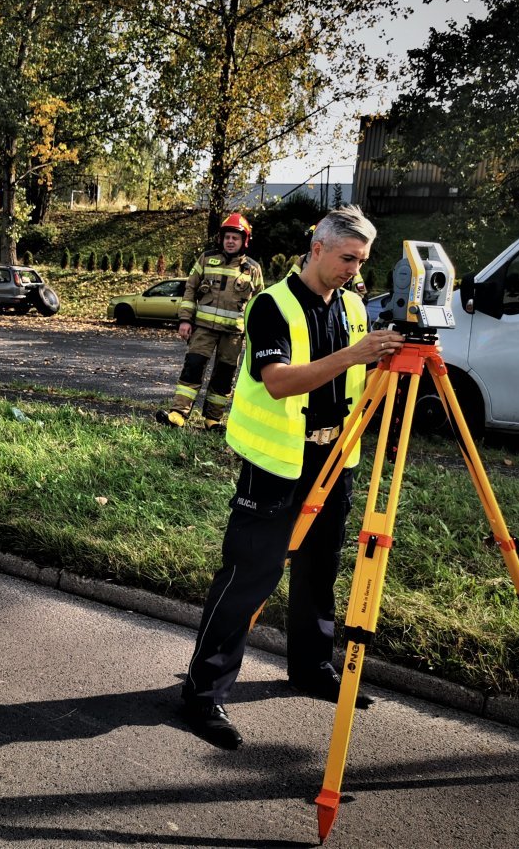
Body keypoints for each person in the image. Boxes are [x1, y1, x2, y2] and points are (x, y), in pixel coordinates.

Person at [180, 205, 404, 749]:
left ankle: (311, 667)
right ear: (318, 248)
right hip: (276, 464)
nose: (355, 269)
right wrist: (357, 352)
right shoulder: (270, 306)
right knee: (248, 577)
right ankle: (202, 692)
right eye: (348, 257)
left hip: (335, 461)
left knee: (317, 572)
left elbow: (353, 374)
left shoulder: (352, 305)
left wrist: (384, 357)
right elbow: (279, 382)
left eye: (362, 260)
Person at [155, 213, 264, 431]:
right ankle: (178, 413)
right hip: (202, 330)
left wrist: (254, 334)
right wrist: (185, 320)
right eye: (227, 237)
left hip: (233, 335)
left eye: (235, 238)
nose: (230, 241)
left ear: (244, 241)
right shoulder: (206, 259)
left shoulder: (253, 269)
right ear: (221, 239)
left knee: (224, 377)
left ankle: (213, 420)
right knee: (192, 368)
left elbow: (258, 304)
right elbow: (190, 289)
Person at [291, 223, 367, 297]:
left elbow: (361, 293)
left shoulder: (351, 268)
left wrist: (348, 301)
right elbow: (290, 281)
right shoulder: (303, 259)